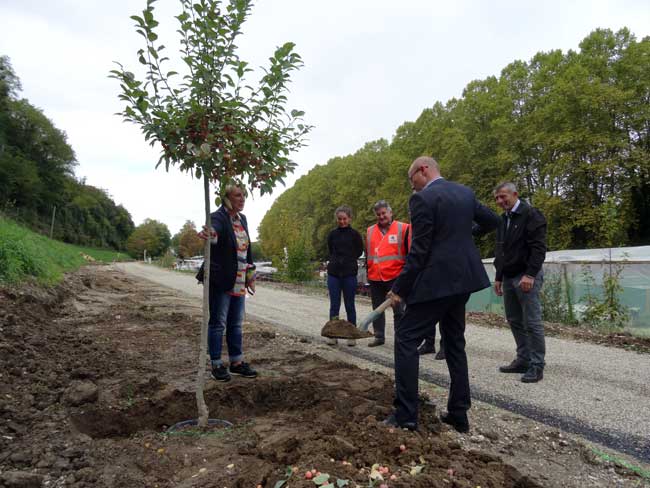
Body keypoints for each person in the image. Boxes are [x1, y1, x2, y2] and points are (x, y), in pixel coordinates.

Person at [385, 156, 499, 433]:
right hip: (462, 281)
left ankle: (406, 416)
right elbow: (493, 221)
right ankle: (459, 414)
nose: (414, 187)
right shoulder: (465, 193)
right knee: (454, 343)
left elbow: (420, 250)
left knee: (406, 338)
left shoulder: (423, 200)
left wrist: (399, 289)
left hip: (436, 283)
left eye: (413, 180)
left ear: (423, 170)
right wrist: (463, 235)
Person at [197, 184, 258, 382]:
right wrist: (210, 236)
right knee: (218, 322)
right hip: (221, 278)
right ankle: (216, 364)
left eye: (244, 196)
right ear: (226, 198)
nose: (242, 199)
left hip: (239, 279)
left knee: (236, 323)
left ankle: (237, 363)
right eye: (237, 195)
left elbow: (247, 251)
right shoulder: (218, 218)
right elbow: (215, 233)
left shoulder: (243, 220)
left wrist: (250, 276)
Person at [493, 182, 547, 383]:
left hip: (526, 276)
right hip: (508, 277)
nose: (500, 201)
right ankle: (523, 359)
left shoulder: (531, 214)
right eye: (497, 198)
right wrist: (499, 276)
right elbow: (501, 250)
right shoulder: (503, 220)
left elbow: (539, 248)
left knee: (532, 322)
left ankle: (537, 365)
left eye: (503, 196)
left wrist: (530, 275)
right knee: (514, 319)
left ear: (515, 194)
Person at [365, 200, 410, 347]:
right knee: (377, 308)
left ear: (390, 213)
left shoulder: (403, 228)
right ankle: (379, 336)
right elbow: (368, 255)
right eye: (378, 214)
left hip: (395, 276)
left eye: (384, 213)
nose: (381, 216)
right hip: (375, 277)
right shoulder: (370, 231)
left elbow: (410, 252)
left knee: (398, 309)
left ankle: (401, 338)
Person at [327, 205, 364, 346]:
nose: (342, 221)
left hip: (349, 274)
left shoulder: (355, 234)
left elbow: (359, 251)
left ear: (349, 218)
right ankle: (332, 334)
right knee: (334, 305)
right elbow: (330, 250)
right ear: (337, 219)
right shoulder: (332, 234)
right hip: (334, 274)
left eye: (344, 219)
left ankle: (351, 334)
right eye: (339, 219)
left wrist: (348, 260)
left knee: (350, 304)